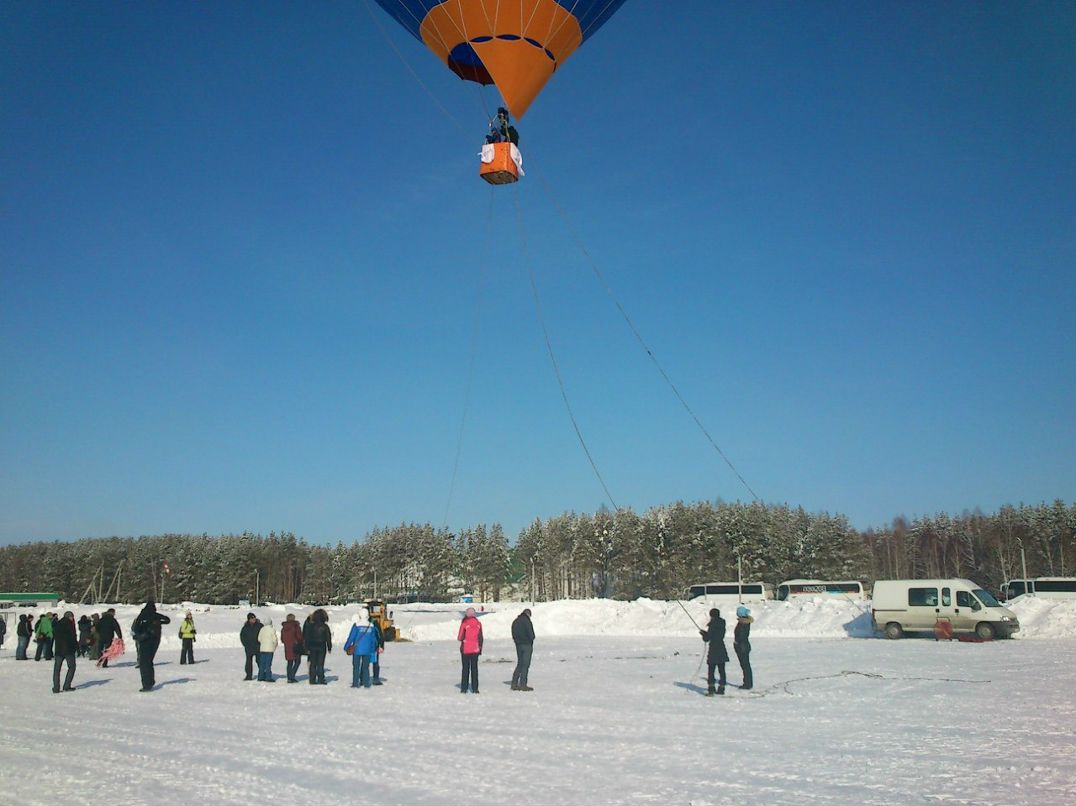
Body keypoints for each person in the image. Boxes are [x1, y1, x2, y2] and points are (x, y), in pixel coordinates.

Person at [132, 600, 171, 691]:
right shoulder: (155, 615)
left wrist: (139, 635)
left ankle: (147, 684)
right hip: (155, 640)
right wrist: (159, 622)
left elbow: (136, 628)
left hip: (145, 640)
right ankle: (150, 682)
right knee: (149, 661)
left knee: (144, 662)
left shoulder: (142, 616)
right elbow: (167, 620)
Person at [343, 609, 379, 689]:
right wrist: (373, 649)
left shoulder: (356, 625)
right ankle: (366, 683)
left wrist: (346, 647)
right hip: (368, 650)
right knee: (365, 667)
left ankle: (355, 683)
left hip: (357, 650)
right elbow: (373, 639)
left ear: (360, 615)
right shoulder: (371, 626)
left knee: (356, 667)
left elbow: (351, 637)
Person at [700, 608, 729, 696]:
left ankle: (711, 689)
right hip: (721, 647)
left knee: (711, 670)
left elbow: (708, 638)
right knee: (722, 670)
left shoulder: (712, 625)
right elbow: (717, 635)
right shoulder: (722, 623)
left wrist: (704, 634)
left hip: (713, 649)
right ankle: (722, 688)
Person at [457, 606, 483, 694]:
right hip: (475, 649)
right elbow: (481, 637)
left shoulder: (464, 623)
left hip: (465, 649)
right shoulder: (478, 624)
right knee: (474, 669)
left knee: (465, 669)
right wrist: (480, 648)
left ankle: (464, 688)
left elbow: (460, 637)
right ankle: (475, 688)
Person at [302, 609, 332, 685]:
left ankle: (312, 679)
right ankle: (321, 679)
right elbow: (328, 637)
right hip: (322, 647)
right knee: (320, 664)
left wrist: (306, 647)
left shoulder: (311, 626)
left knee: (313, 664)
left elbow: (307, 637)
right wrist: (329, 647)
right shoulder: (325, 626)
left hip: (312, 646)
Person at [52, 611, 78, 693]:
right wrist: (76, 647)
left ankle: (56, 688)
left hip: (58, 649)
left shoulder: (57, 624)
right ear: (70, 617)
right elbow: (73, 637)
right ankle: (67, 685)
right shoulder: (70, 625)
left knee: (57, 669)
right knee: (71, 667)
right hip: (68, 650)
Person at [511, 608, 535, 691]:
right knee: (525, 665)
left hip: (518, 645)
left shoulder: (515, 621)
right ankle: (523, 684)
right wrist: (530, 640)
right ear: (528, 614)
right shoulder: (527, 621)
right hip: (527, 645)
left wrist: (517, 641)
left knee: (519, 664)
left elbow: (513, 633)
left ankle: (514, 683)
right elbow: (531, 634)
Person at [734, 605, 754, 690]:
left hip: (742, 646)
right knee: (746, 665)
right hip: (744, 645)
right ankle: (748, 682)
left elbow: (740, 636)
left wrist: (737, 643)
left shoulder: (742, 623)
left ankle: (747, 683)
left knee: (745, 665)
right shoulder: (745, 622)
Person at [280, 613, 303, 683]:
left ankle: (289, 677)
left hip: (287, 647)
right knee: (297, 661)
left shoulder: (283, 628)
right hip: (295, 646)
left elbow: (282, 639)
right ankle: (292, 676)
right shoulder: (296, 626)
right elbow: (299, 637)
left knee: (289, 662)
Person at [239, 612, 263, 681]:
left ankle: (262, 674)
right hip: (249, 648)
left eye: (254, 617)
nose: (254, 619)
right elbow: (242, 637)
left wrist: (260, 643)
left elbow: (263, 634)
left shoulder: (260, 625)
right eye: (252, 618)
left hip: (258, 647)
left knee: (259, 661)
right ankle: (248, 675)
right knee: (248, 662)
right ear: (249, 619)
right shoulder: (245, 627)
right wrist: (246, 644)